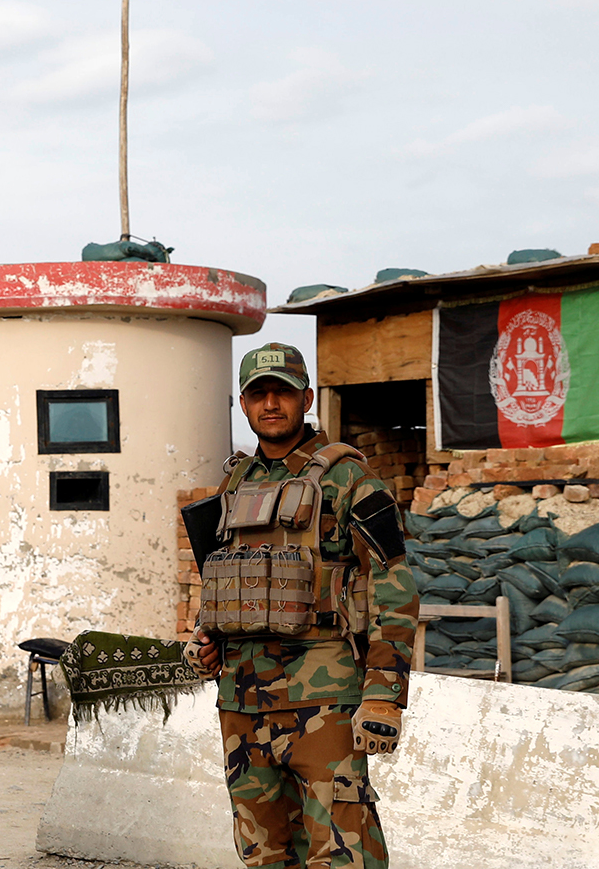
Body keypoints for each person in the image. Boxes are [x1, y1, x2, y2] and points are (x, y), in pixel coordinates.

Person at [185, 342, 419, 869]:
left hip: (323, 699)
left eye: (283, 392)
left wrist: (384, 695)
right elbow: (224, 582)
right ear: (243, 405)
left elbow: (394, 587)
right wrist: (206, 639)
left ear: (306, 399)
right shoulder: (234, 483)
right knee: (263, 853)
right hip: (242, 700)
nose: (271, 404)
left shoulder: (349, 480)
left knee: (343, 853)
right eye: (258, 394)